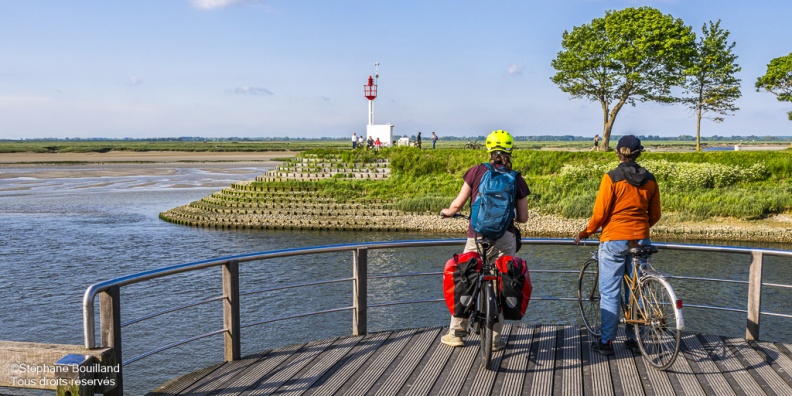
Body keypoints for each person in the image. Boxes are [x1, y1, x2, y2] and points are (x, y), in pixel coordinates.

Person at [439, 129, 530, 350]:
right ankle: (495, 340)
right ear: (510, 150)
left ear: (488, 150)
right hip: (504, 237)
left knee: (466, 276)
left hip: (477, 235)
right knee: (501, 283)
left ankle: (457, 333)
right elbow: (523, 218)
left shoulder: (477, 171)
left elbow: (458, 204)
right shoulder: (516, 178)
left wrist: (447, 212)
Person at [574, 135, 662, 356]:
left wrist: (587, 232)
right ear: (639, 153)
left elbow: (600, 213)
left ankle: (606, 342)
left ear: (618, 153)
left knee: (610, 292)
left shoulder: (611, 178)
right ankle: (636, 340)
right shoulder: (650, 180)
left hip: (614, 239)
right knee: (638, 290)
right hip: (641, 239)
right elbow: (655, 214)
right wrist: (640, 228)